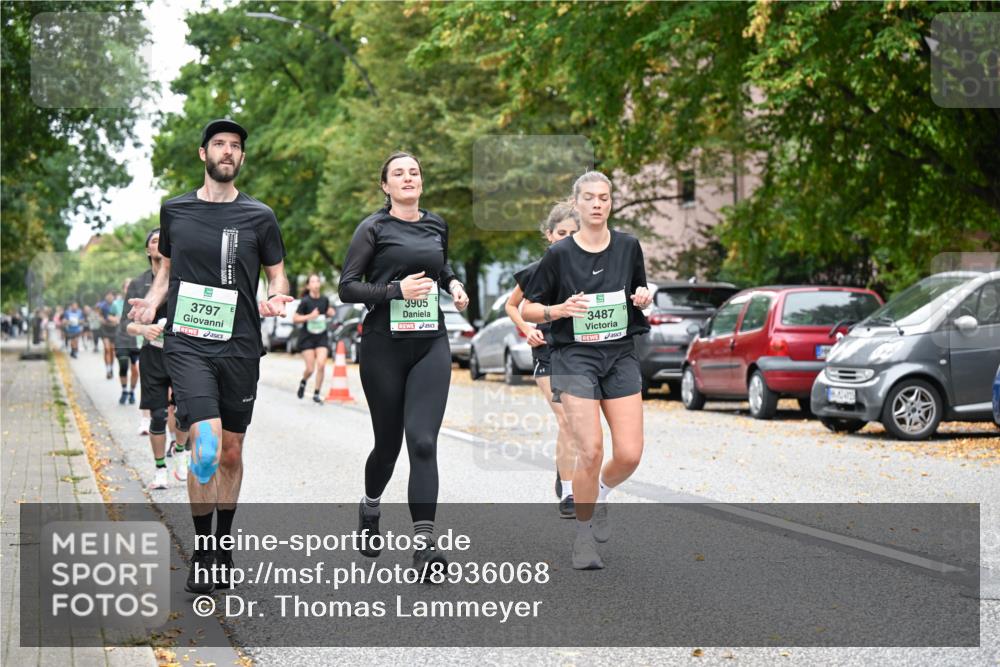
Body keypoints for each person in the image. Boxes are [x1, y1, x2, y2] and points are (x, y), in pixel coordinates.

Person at [129, 118, 290, 594]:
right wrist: (154, 302)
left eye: (235, 146)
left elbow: (277, 274)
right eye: (218, 144)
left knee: (232, 451)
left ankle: (223, 545)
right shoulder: (175, 210)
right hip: (188, 342)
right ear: (204, 154)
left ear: (241, 158)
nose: (227, 151)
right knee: (205, 446)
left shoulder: (260, 216)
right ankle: (202, 551)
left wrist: (279, 295)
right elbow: (167, 272)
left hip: (240, 344)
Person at [338, 151, 469, 577]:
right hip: (383, 348)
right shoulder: (372, 228)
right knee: (389, 446)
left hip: (430, 343)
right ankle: (370, 507)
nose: (408, 177)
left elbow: (439, 264)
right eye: (399, 173)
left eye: (414, 172)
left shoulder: (436, 224)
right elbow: (348, 288)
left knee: (424, 442)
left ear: (421, 182)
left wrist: (452, 284)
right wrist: (395, 290)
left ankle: (424, 547)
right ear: (385, 186)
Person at [522, 171, 652, 570]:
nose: (598, 204)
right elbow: (526, 307)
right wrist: (558, 310)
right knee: (591, 449)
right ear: (577, 204)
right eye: (590, 198)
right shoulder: (560, 255)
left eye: (605, 197)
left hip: (619, 355)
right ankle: (583, 537)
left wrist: (643, 298)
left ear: (611, 203)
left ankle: (597, 492)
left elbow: (638, 294)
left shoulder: (629, 247)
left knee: (629, 454)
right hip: (574, 357)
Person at [505, 202, 581, 519]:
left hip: (583, 351)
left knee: (581, 424)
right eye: (561, 233)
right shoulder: (538, 271)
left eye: (572, 234)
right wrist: (527, 329)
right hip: (548, 349)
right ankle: (568, 490)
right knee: (567, 419)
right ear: (550, 235)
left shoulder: (592, 268)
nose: (566, 239)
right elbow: (513, 306)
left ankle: (569, 474)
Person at [127, 229, 190, 489]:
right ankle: (160, 470)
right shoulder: (138, 284)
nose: (159, 245)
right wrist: (144, 329)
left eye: (164, 241)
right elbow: (127, 326)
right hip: (152, 355)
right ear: (148, 250)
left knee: (184, 411)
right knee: (158, 415)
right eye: (155, 241)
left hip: (181, 355)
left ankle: (181, 451)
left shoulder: (183, 280)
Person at [293, 273, 334, 404]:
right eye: (313, 282)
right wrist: (309, 316)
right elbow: (295, 319)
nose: (316, 284)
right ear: (308, 285)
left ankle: (317, 393)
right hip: (307, 338)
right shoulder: (305, 301)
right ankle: (303, 381)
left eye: (317, 281)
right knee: (310, 369)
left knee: (321, 364)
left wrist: (330, 312)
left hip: (321, 336)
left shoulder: (324, 299)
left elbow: (327, 312)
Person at [115, 277, 141, 407]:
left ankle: (132, 392)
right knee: (123, 366)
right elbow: (112, 316)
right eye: (127, 286)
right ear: (123, 289)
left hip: (136, 339)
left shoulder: (139, 301)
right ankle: (124, 390)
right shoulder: (117, 303)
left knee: (135, 368)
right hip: (121, 338)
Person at [96, 291, 118, 378]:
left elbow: (119, 316)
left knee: (112, 350)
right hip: (105, 329)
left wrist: (116, 320)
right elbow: (98, 314)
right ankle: (108, 370)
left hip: (114, 330)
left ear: (113, 297)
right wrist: (101, 319)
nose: (109, 297)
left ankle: (111, 368)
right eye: (108, 295)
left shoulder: (117, 305)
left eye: (111, 296)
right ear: (105, 296)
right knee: (107, 349)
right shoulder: (102, 305)